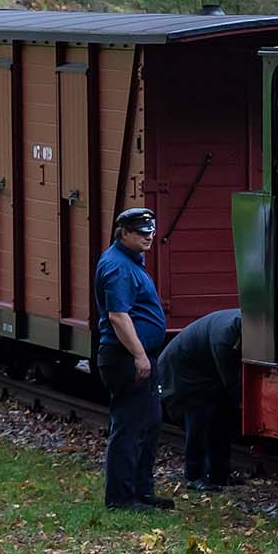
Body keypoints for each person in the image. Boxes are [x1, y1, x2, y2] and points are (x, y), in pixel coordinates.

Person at [95, 207, 170, 511]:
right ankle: (121, 498)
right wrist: (140, 356)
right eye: (141, 233)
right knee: (129, 426)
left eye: (150, 232)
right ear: (123, 232)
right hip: (125, 357)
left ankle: (142, 490)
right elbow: (118, 316)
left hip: (138, 354)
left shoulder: (129, 262)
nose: (148, 237)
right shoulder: (119, 267)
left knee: (149, 423)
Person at [157, 307, 243, 491]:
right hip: (183, 375)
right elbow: (231, 382)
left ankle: (219, 475)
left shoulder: (238, 325)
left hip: (205, 372)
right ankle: (193, 476)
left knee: (221, 421)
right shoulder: (224, 338)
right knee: (198, 423)